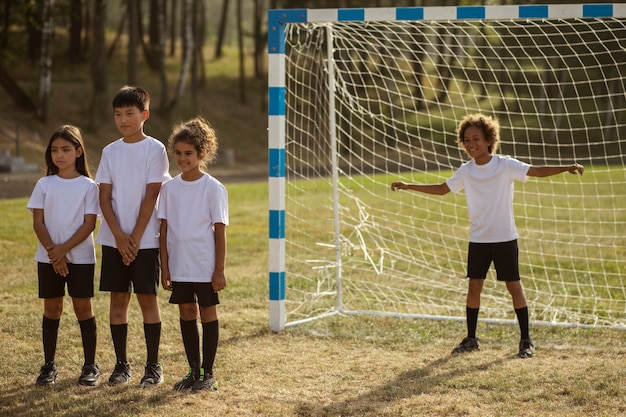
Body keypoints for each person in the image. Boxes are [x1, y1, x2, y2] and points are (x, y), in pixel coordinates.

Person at [390, 113, 583, 358]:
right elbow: (442, 189)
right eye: (467, 140)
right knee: (474, 287)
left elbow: (536, 171)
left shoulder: (505, 165)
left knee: (514, 286)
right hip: (479, 240)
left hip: (504, 238)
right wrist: (409, 186)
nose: (471, 144)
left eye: (476, 139)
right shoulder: (466, 171)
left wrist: (566, 167)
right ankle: (471, 339)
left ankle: (525, 340)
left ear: (489, 139)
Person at [95, 85, 171, 387]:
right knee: (118, 302)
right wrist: (119, 236)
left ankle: (153, 366)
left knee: (147, 300)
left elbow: (152, 195)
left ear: (144, 114)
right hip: (116, 241)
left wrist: (135, 238)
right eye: (118, 114)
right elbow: (104, 197)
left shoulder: (155, 149)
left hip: (146, 240)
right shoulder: (109, 152)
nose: (123, 120)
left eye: (130, 113)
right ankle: (121, 365)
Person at [158, 117, 228, 392]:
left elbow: (220, 231)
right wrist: (165, 267)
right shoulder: (169, 189)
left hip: (204, 264)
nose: (182, 158)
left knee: (207, 313)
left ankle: (207, 373)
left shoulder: (213, 188)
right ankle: (193, 370)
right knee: (187, 312)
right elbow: (163, 232)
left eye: (188, 153)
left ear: (202, 153)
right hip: (179, 265)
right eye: (177, 153)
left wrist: (219, 269)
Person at [27, 125, 100, 386]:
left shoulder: (89, 186)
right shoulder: (44, 184)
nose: (60, 155)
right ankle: (49, 366)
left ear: (79, 151)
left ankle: (90, 365)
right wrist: (53, 254)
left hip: (80, 258)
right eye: (55, 150)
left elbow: (89, 224)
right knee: (52, 309)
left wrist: (63, 250)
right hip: (48, 259)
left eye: (66, 149)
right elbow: (38, 222)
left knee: (83, 308)